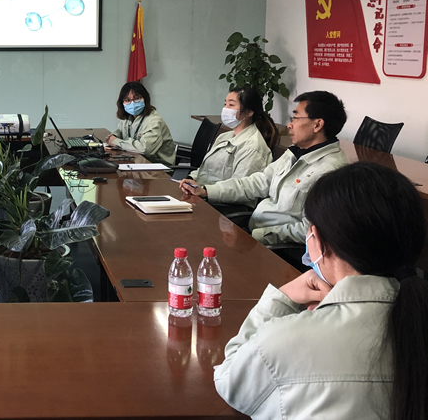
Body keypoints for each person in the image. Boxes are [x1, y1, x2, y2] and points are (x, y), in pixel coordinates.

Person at [214, 162, 428, 419]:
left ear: (318, 241)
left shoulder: (287, 339)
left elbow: (230, 379)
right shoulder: (416, 314)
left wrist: (281, 298)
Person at [180, 90, 349, 245]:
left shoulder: (332, 172)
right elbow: (257, 182)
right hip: (256, 232)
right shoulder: (296, 153)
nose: (289, 125)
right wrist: (207, 191)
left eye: (295, 118)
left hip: (279, 247)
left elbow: (311, 230)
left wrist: (257, 236)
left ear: (317, 125)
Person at [186, 87, 276, 208]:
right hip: (202, 198)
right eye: (225, 104)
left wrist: (205, 191)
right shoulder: (225, 137)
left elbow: (241, 189)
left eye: (231, 105)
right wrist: (190, 179)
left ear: (249, 112)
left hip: (223, 207)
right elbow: (205, 170)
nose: (225, 109)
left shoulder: (253, 147)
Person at [105, 82, 176, 167]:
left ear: (145, 99)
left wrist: (116, 142)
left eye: (137, 98)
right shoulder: (129, 117)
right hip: (137, 162)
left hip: (158, 168)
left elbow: (145, 149)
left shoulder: (154, 121)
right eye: (128, 100)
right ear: (122, 103)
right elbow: (120, 131)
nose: (132, 103)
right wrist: (113, 137)